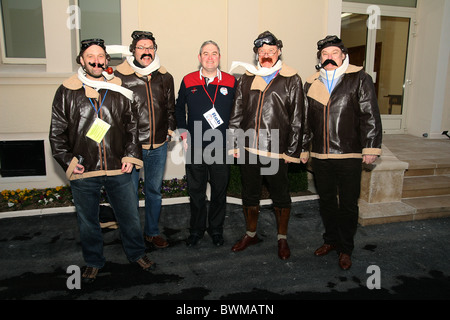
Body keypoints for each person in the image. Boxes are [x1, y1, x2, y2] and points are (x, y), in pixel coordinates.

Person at [49, 38, 155, 283]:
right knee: (88, 222)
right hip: (84, 170)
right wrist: (69, 161)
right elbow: (57, 132)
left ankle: (136, 253)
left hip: (119, 167)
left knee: (129, 216)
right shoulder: (67, 90)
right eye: (90, 56)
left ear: (107, 60)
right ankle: (94, 261)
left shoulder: (119, 87)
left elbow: (132, 125)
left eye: (100, 56)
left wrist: (131, 155)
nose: (96, 60)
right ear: (82, 61)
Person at [303, 35, 382, 270]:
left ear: (343, 56)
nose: (329, 58)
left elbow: (370, 115)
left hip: (349, 153)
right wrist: (305, 148)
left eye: (334, 53)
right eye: (325, 55)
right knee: (326, 202)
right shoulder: (312, 83)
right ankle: (330, 241)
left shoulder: (359, 79)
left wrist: (371, 147)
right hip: (320, 155)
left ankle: (345, 248)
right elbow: (307, 121)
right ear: (320, 59)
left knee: (348, 204)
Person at [228, 31, 307, 260]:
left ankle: (282, 238)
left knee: (280, 195)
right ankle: (250, 233)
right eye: (262, 52)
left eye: (271, 51)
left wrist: (292, 152)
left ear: (279, 51)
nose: (266, 55)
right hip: (248, 148)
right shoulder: (246, 77)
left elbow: (297, 118)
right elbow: (237, 112)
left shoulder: (292, 79)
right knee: (249, 193)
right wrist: (233, 142)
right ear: (256, 54)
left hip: (276, 149)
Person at [115, 31, 176, 249]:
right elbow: (115, 112)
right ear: (133, 51)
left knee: (154, 192)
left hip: (158, 145)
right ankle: (131, 237)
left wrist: (169, 131)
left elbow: (170, 108)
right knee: (128, 194)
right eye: (141, 47)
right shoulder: (120, 77)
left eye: (150, 47)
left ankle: (151, 232)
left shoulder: (165, 77)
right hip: (132, 147)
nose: (146, 51)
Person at [175, 40, 237, 247]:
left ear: (219, 57)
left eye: (214, 53)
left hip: (221, 146)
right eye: (205, 53)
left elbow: (238, 113)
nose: (210, 57)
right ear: (199, 57)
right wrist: (183, 133)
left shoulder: (230, 81)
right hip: (195, 146)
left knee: (220, 192)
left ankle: (216, 230)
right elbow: (178, 109)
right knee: (196, 192)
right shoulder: (188, 80)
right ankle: (196, 230)